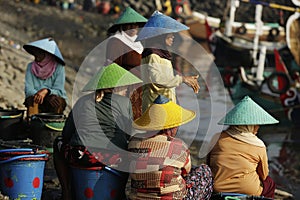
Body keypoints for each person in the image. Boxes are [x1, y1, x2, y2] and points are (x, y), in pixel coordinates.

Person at [53, 62, 142, 200]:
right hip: (113, 159)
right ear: (116, 87)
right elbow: (129, 134)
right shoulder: (124, 103)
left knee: (57, 142)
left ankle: (67, 192)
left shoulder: (82, 101)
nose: (125, 90)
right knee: (131, 152)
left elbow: (66, 134)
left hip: (81, 155)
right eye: (124, 87)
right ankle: (119, 192)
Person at [128, 95, 213, 200]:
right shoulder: (179, 147)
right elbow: (186, 172)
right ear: (170, 128)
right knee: (205, 171)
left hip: (138, 198)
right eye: (176, 125)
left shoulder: (133, 143)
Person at [207, 96, 278, 199]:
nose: (257, 128)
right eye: (256, 125)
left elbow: (209, 164)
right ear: (250, 126)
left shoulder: (217, 138)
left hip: (218, 188)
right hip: (249, 190)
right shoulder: (259, 145)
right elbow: (264, 175)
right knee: (269, 183)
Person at [135, 11, 200, 112]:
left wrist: (184, 79)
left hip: (164, 106)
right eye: (170, 35)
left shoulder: (161, 54)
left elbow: (165, 79)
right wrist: (182, 79)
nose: (173, 37)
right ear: (161, 36)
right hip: (156, 109)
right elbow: (157, 79)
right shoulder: (153, 54)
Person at [106, 6, 147, 119]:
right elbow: (111, 68)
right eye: (130, 24)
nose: (133, 27)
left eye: (136, 24)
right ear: (123, 26)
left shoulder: (137, 43)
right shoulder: (116, 42)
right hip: (125, 89)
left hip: (138, 88)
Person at [23, 38, 67, 120]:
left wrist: (46, 91)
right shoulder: (30, 67)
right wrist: (39, 95)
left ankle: (53, 126)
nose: (36, 56)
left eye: (39, 53)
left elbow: (59, 90)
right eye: (35, 53)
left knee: (56, 100)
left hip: (52, 97)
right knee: (33, 100)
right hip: (36, 98)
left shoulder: (59, 67)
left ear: (47, 54)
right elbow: (29, 89)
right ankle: (32, 125)